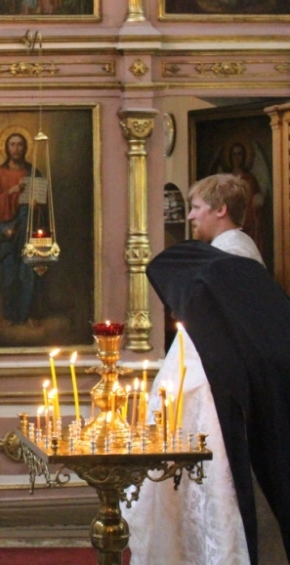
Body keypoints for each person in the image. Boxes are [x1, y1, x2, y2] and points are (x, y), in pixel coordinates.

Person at [124, 174, 290, 565]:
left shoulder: (231, 261)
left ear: (221, 210)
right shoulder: (226, 256)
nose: (191, 216)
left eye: (197, 207)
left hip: (212, 394)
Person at [0, 133, 40, 326]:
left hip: (27, 227)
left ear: (25, 148)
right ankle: (10, 315)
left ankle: (27, 314)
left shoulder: (33, 172)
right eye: (12, 145)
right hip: (7, 230)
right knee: (9, 274)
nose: (16, 149)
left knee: (28, 273)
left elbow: (43, 203)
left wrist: (35, 205)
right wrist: (12, 191)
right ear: (7, 148)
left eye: (20, 145)